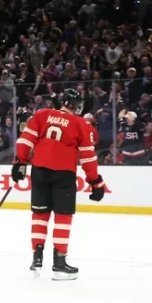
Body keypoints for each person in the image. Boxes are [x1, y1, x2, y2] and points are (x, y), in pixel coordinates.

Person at [14, 88, 106, 279]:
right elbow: (88, 158)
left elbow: (25, 141)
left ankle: (36, 260)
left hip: (39, 170)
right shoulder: (81, 124)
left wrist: (20, 163)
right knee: (63, 216)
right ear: (76, 105)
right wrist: (95, 182)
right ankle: (59, 264)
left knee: (40, 213)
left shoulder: (42, 115)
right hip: (64, 173)